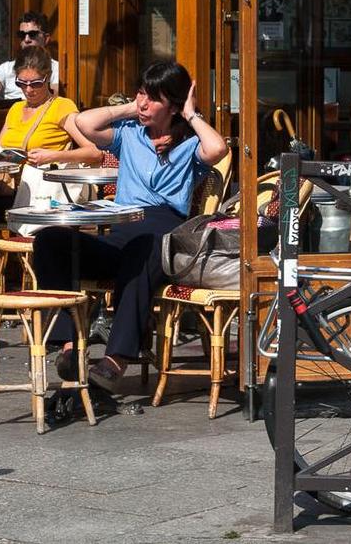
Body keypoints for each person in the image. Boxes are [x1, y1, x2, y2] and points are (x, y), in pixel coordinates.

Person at [31, 59, 228, 391]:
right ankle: (69, 344)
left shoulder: (189, 144)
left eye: (154, 98)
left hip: (163, 231)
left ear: (174, 106)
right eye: (141, 94)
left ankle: (116, 359)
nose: (144, 103)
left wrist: (191, 115)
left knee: (143, 252)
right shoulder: (130, 134)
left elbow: (218, 148)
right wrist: (131, 107)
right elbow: (84, 122)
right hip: (119, 227)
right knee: (49, 240)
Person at [0, 11, 60, 99]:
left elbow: (55, 95)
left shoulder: (56, 68)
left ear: (46, 39)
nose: (27, 39)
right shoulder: (6, 68)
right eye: (22, 35)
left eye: (33, 34)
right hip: (10, 111)